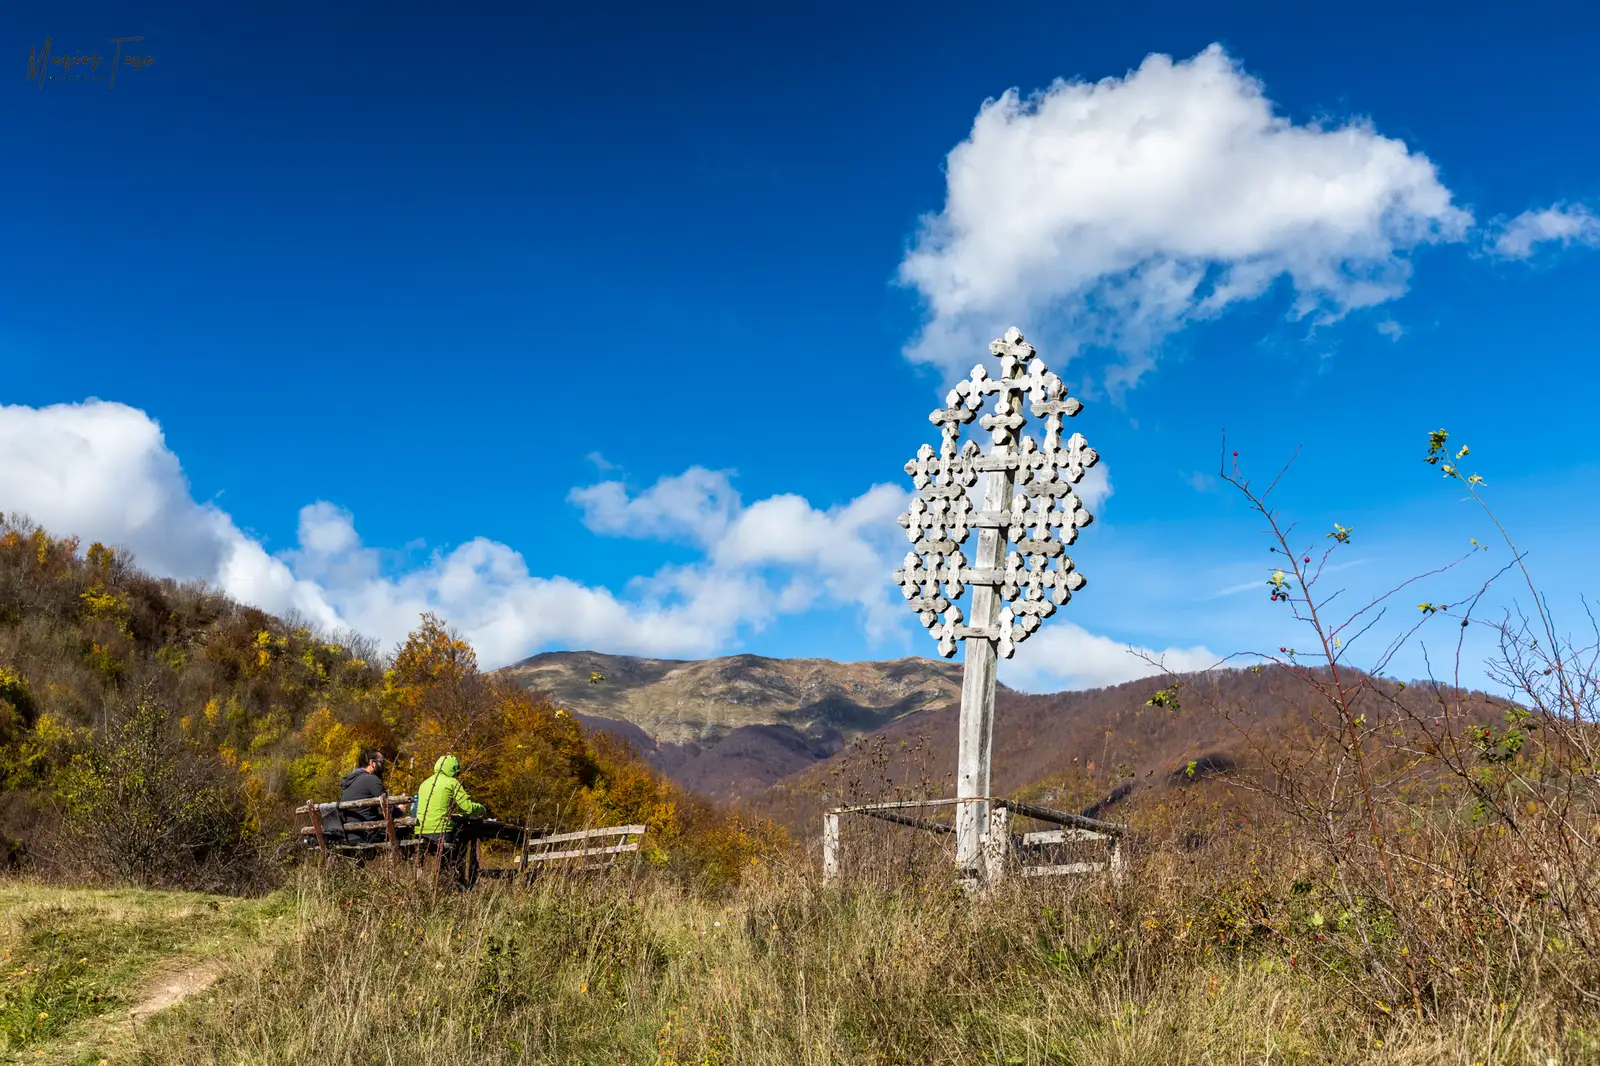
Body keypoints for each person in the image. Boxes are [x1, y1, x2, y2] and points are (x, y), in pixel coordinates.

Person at [415, 754, 487, 885]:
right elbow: (468, 808)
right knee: (462, 841)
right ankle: (458, 882)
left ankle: (447, 881)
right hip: (441, 833)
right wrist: (481, 808)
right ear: (453, 769)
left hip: (420, 831)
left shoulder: (424, 783)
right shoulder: (452, 782)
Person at [339, 749, 404, 845]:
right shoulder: (372, 779)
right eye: (382, 762)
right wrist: (399, 810)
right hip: (366, 835)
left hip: (348, 835)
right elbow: (387, 807)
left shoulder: (350, 781)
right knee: (404, 831)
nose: (384, 766)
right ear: (371, 763)